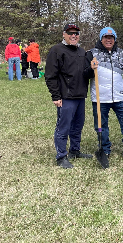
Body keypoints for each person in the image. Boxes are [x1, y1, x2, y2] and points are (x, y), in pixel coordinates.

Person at [45, 22, 93, 170]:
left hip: (80, 96)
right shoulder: (57, 50)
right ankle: (61, 156)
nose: (73, 36)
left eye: (76, 33)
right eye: (70, 33)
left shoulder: (82, 52)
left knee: (78, 125)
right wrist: (56, 96)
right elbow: (50, 76)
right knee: (63, 126)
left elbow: (86, 73)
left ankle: (75, 150)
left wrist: (92, 68)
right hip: (65, 96)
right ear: (64, 34)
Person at [85, 26, 123, 168]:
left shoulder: (121, 53)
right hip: (100, 98)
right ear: (101, 39)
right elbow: (84, 74)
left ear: (114, 39)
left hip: (119, 97)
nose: (109, 40)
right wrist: (91, 69)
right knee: (101, 125)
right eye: (106, 38)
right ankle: (105, 149)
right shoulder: (91, 54)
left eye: (111, 38)